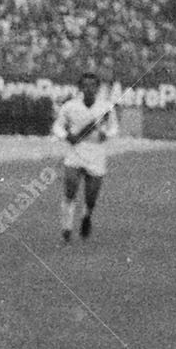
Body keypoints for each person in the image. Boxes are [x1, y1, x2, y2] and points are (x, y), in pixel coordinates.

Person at [51, 70, 118, 242]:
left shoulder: (106, 107)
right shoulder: (70, 106)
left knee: (91, 196)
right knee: (71, 188)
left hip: (96, 153)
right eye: (85, 86)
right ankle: (66, 227)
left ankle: (86, 217)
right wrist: (66, 136)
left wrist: (107, 135)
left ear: (97, 88)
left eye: (92, 86)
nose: (88, 89)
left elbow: (114, 128)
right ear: (80, 87)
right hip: (76, 151)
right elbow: (57, 126)